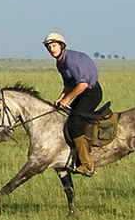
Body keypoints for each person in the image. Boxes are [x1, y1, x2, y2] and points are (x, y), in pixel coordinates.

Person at [43, 32, 103, 176]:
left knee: (75, 124)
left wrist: (67, 100)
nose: (52, 49)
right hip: (81, 92)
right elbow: (69, 85)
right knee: (66, 117)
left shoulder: (70, 61)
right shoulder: (60, 63)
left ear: (61, 46)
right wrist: (60, 98)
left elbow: (82, 84)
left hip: (90, 92)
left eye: (54, 46)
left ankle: (87, 165)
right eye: (49, 47)